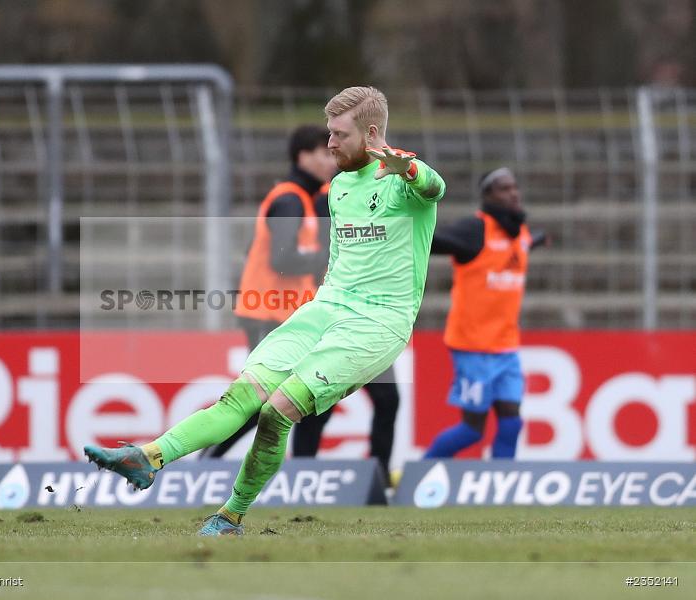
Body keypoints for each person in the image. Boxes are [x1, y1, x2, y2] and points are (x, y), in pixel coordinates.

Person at [85, 86, 445, 536]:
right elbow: (340, 257)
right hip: (327, 306)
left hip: (378, 321)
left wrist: (406, 167)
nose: (329, 144)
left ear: (371, 134)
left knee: (278, 411)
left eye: (338, 134)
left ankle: (231, 515)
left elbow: (434, 186)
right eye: (328, 135)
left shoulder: (402, 178)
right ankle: (148, 458)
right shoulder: (337, 187)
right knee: (241, 397)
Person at [202, 125, 402, 480]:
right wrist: (331, 258)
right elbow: (282, 260)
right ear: (302, 156)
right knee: (264, 401)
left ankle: (348, 477)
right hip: (269, 313)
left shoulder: (316, 197)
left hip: (299, 311)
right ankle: (205, 465)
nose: (331, 159)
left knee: (330, 399)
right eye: (323, 153)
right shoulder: (289, 199)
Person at [423, 167, 547, 460]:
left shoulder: (520, 233)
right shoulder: (475, 230)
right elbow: (436, 240)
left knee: (512, 422)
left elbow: (525, 245)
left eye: (514, 187)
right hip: (473, 348)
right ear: (488, 195)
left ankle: (501, 491)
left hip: (506, 348)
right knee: (472, 430)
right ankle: (420, 474)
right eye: (504, 188)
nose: (513, 193)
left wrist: (541, 239)